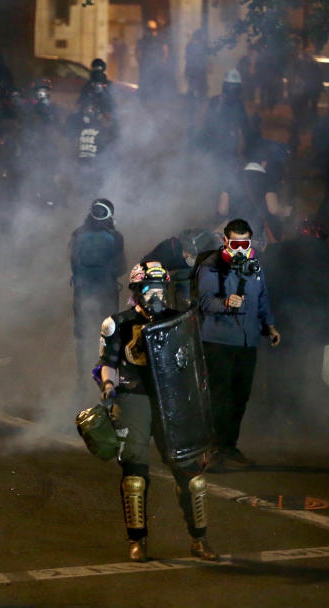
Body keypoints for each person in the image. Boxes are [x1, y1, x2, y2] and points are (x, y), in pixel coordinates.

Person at [94, 263, 219, 562]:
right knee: (134, 477)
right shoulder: (118, 323)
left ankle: (199, 539)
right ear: (137, 291)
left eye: (161, 288)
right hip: (134, 399)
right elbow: (106, 361)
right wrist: (108, 384)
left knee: (192, 477)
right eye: (150, 289)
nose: (157, 295)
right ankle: (137, 540)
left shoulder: (178, 322)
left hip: (173, 402)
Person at [195, 218, 281, 471]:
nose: (241, 248)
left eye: (245, 243)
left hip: (247, 342)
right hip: (219, 341)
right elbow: (205, 302)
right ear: (225, 241)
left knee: (239, 397)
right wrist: (225, 303)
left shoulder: (255, 267)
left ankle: (229, 447)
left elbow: (262, 297)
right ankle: (212, 448)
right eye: (236, 243)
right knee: (218, 397)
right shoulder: (211, 267)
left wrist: (270, 326)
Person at [69, 199, 125, 406]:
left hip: (82, 293)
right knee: (109, 337)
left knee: (83, 338)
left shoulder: (77, 234)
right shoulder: (115, 237)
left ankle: (81, 383)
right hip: (107, 293)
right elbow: (120, 268)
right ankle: (107, 382)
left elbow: (73, 264)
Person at [140, 228, 220, 309]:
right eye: (189, 254)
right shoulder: (166, 251)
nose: (189, 257)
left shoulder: (205, 242)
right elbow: (143, 269)